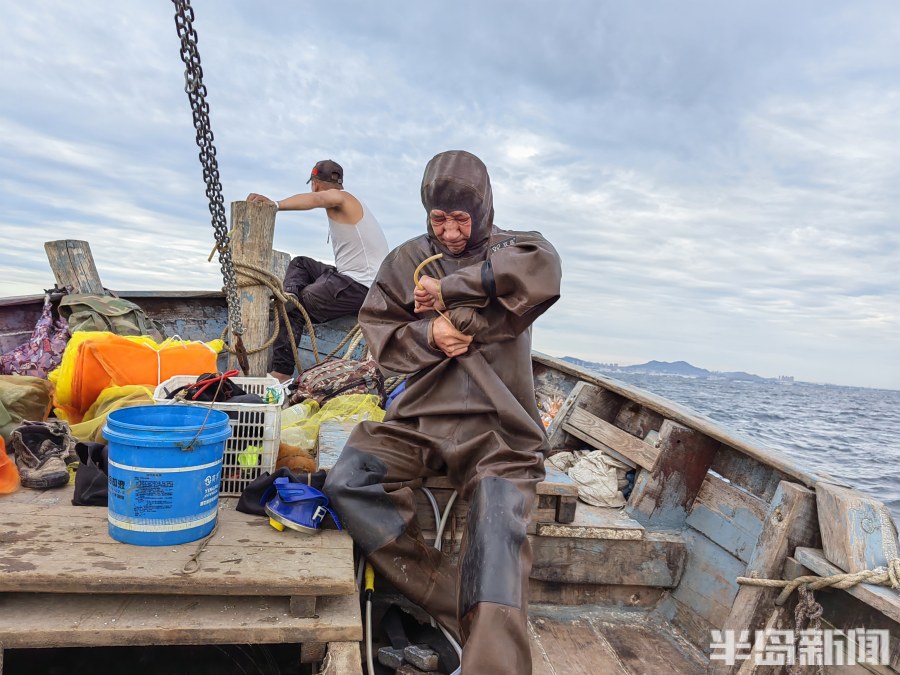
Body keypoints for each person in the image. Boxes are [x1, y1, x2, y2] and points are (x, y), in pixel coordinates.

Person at [323, 150, 562, 673]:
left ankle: (490, 654)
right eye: (439, 219)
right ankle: (450, 595)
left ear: (483, 210)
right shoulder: (405, 260)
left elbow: (544, 272)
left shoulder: (516, 251)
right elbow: (379, 333)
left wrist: (451, 289)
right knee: (348, 481)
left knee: (498, 535)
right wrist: (429, 332)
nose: (451, 233)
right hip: (419, 425)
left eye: (461, 219)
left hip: (499, 434)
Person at [247, 159, 389, 382]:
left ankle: (282, 371)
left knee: (294, 307)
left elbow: (318, 199)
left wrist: (275, 204)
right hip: (351, 279)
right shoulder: (348, 202)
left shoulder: (340, 198)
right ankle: (290, 295)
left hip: (361, 287)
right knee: (301, 263)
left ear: (314, 183)